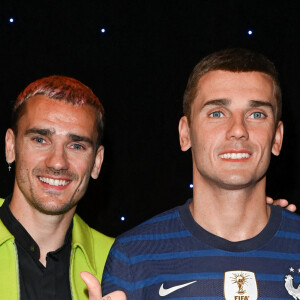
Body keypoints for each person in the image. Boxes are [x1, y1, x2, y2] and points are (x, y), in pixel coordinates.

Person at [99, 48, 300, 299]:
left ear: (277, 138)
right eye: (217, 113)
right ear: (185, 134)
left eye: (256, 114)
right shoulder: (134, 255)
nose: (238, 129)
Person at [0, 75, 125, 300]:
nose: (57, 162)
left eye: (76, 145)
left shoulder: (120, 262)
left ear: (97, 162)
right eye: (40, 140)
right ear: (11, 147)